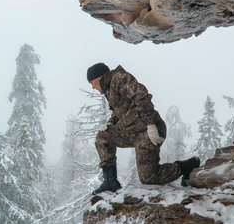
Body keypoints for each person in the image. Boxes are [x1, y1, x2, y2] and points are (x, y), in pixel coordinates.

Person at [86, 62, 200, 195]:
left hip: (149, 131)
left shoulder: (119, 78)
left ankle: (187, 166)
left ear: (99, 77)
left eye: (92, 83)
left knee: (149, 177)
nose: (93, 87)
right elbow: (120, 112)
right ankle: (110, 181)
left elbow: (142, 97)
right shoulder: (109, 89)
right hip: (132, 132)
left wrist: (151, 125)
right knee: (103, 136)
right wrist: (110, 123)